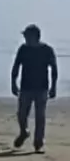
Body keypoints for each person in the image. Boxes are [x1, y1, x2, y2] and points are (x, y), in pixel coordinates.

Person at [11, 24, 58, 153]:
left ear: (34, 37)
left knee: (40, 116)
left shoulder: (47, 50)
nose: (25, 38)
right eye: (25, 36)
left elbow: (54, 69)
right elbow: (16, 66)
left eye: (27, 35)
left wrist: (53, 87)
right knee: (21, 114)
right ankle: (24, 132)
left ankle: (38, 143)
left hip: (42, 87)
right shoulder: (23, 49)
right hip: (26, 86)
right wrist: (13, 83)